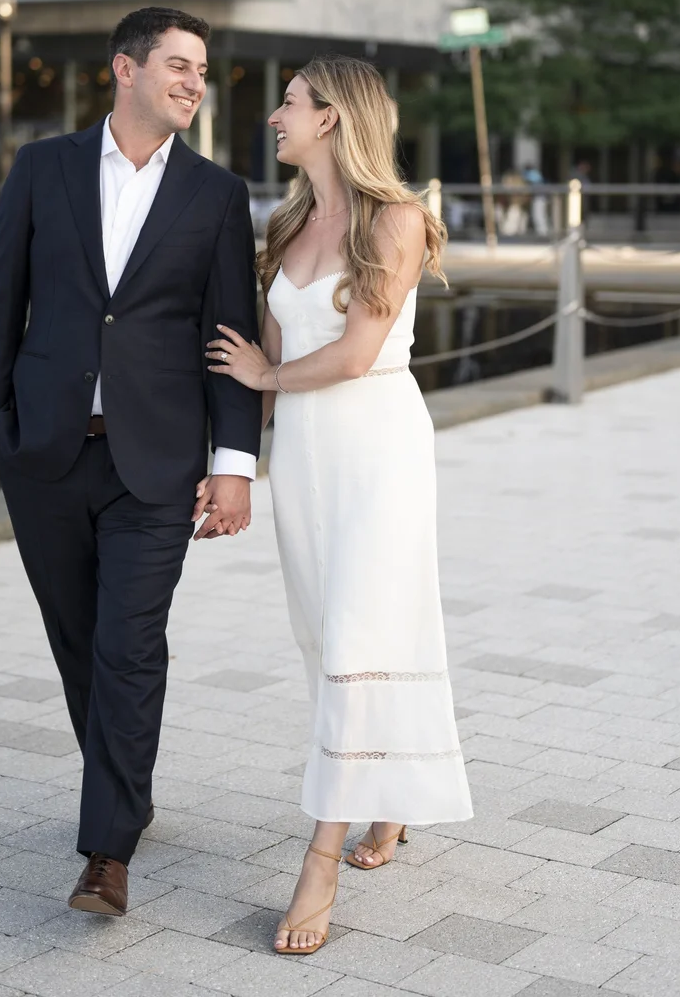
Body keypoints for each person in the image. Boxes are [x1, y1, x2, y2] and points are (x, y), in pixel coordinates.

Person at [0, 7, 261, 917]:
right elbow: (0, 291)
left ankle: (106, 853)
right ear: (123, 70)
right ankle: (125, 787)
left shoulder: (216, 193)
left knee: (128, 644)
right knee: (77, 642)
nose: (193, 82)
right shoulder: (42, 166)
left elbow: (229, 332)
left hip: (157, 462)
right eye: (178, 64)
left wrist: (235, 460)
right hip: (46, 452)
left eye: (202, 70)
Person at [204, 55, 472, 956]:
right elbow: (263, 370)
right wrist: (228, 461)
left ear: (332, 118)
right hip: (307, 460)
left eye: (288, 102)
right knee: (328, 638)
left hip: (379, 449)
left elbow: (356, 353)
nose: (274, 115)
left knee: (361, 632)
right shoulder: (285, 222)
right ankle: (388, 799)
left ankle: (318, 858)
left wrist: (266, 373)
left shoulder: (396, 218)